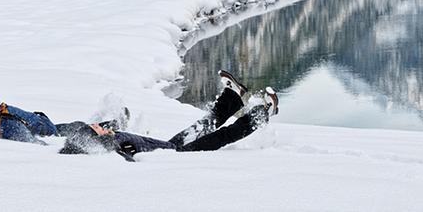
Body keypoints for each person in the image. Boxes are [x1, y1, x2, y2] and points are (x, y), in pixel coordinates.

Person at [58, 70, 279, 160]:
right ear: (95, 138)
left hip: (169, 147)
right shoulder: (114, 148)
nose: (99, 125)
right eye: (96, 128)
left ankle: (234, 96)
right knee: (221, 135)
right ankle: (262, 114)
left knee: (202, 125)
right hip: (176, 156)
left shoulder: (112, 139)